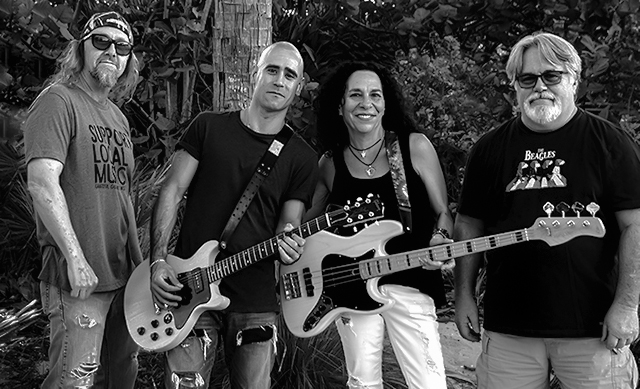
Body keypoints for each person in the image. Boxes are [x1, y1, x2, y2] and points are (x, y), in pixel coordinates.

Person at [454, 31, 640, 388]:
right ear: (515, 86)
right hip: (509, 328)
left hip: (593, 328)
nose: (539, 86)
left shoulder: (611, 144)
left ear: (573, 79)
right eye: (527, 78)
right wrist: (463, 295)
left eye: (551, 76)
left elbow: (636, 226)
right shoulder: (489, 149)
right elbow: (468, 223)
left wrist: (628, 306)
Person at [149, 41, 318, 389]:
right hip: (188, 288)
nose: (279, 80)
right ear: (256, 74)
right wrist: (157, 261)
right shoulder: (209, 127)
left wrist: (290, 243)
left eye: (290, 75)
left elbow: (290, 222)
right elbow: (172, 191)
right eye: (272, 70)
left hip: (254, 299)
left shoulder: (301, 157)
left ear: (298, 87)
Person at [308, 60, 454, 389]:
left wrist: (441, 238)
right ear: (340, 105)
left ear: (385, 104)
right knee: (361, 383)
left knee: (430, 384)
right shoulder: (329, 163)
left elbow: (443, 212)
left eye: (376, 94)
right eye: (356, 95)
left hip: (412, 279)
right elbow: (309, 229)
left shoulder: (413, 147)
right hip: (351, 289)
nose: (367, 103)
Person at [23, 11, 142, 389]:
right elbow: (42, 184)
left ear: (128, 60)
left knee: (119, 379)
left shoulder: (119, 119)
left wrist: (141, 270)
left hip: (122, 278)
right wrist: (75, 259)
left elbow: (122, 199)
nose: (111, 52)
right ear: (81, 49)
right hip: (79, 281)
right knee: (73, 382)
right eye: (101, 42)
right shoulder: (58, 101)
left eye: (121, 47)